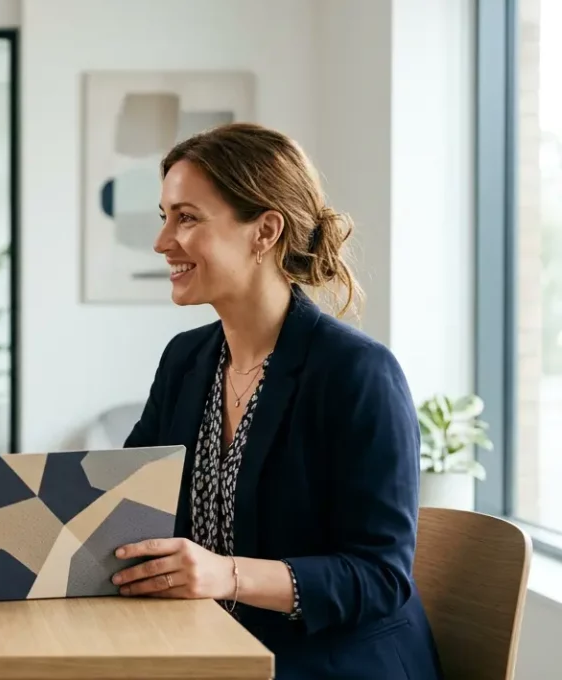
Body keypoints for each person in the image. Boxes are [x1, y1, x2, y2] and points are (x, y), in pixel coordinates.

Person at [111, 123, 443, 679]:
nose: (163, 240)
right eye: (164, 215)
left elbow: (380, 576)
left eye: (186, 217)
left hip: (334, 661)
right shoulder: (186, 361)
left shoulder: (359, 374)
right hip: (216, 646)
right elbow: (126, 506)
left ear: (264, 231)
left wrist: (225, 575)